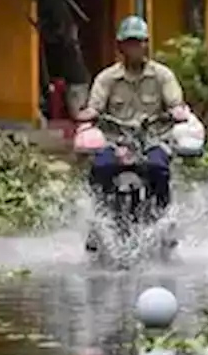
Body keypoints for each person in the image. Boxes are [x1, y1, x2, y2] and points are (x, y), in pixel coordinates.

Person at [76, 16, 188, 228]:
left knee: (159, 168)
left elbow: (175, 102)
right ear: (120, 47)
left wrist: (177, 111)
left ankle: (163, 220)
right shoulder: (106, 78)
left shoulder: (162, 75)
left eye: (139, 42)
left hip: (152, 139)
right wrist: (87, 114)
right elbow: (95, 106)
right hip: (115, 140)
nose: (135, 47)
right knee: (100, 167)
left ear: (147, 44)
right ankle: (98, 220)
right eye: (129, 42)